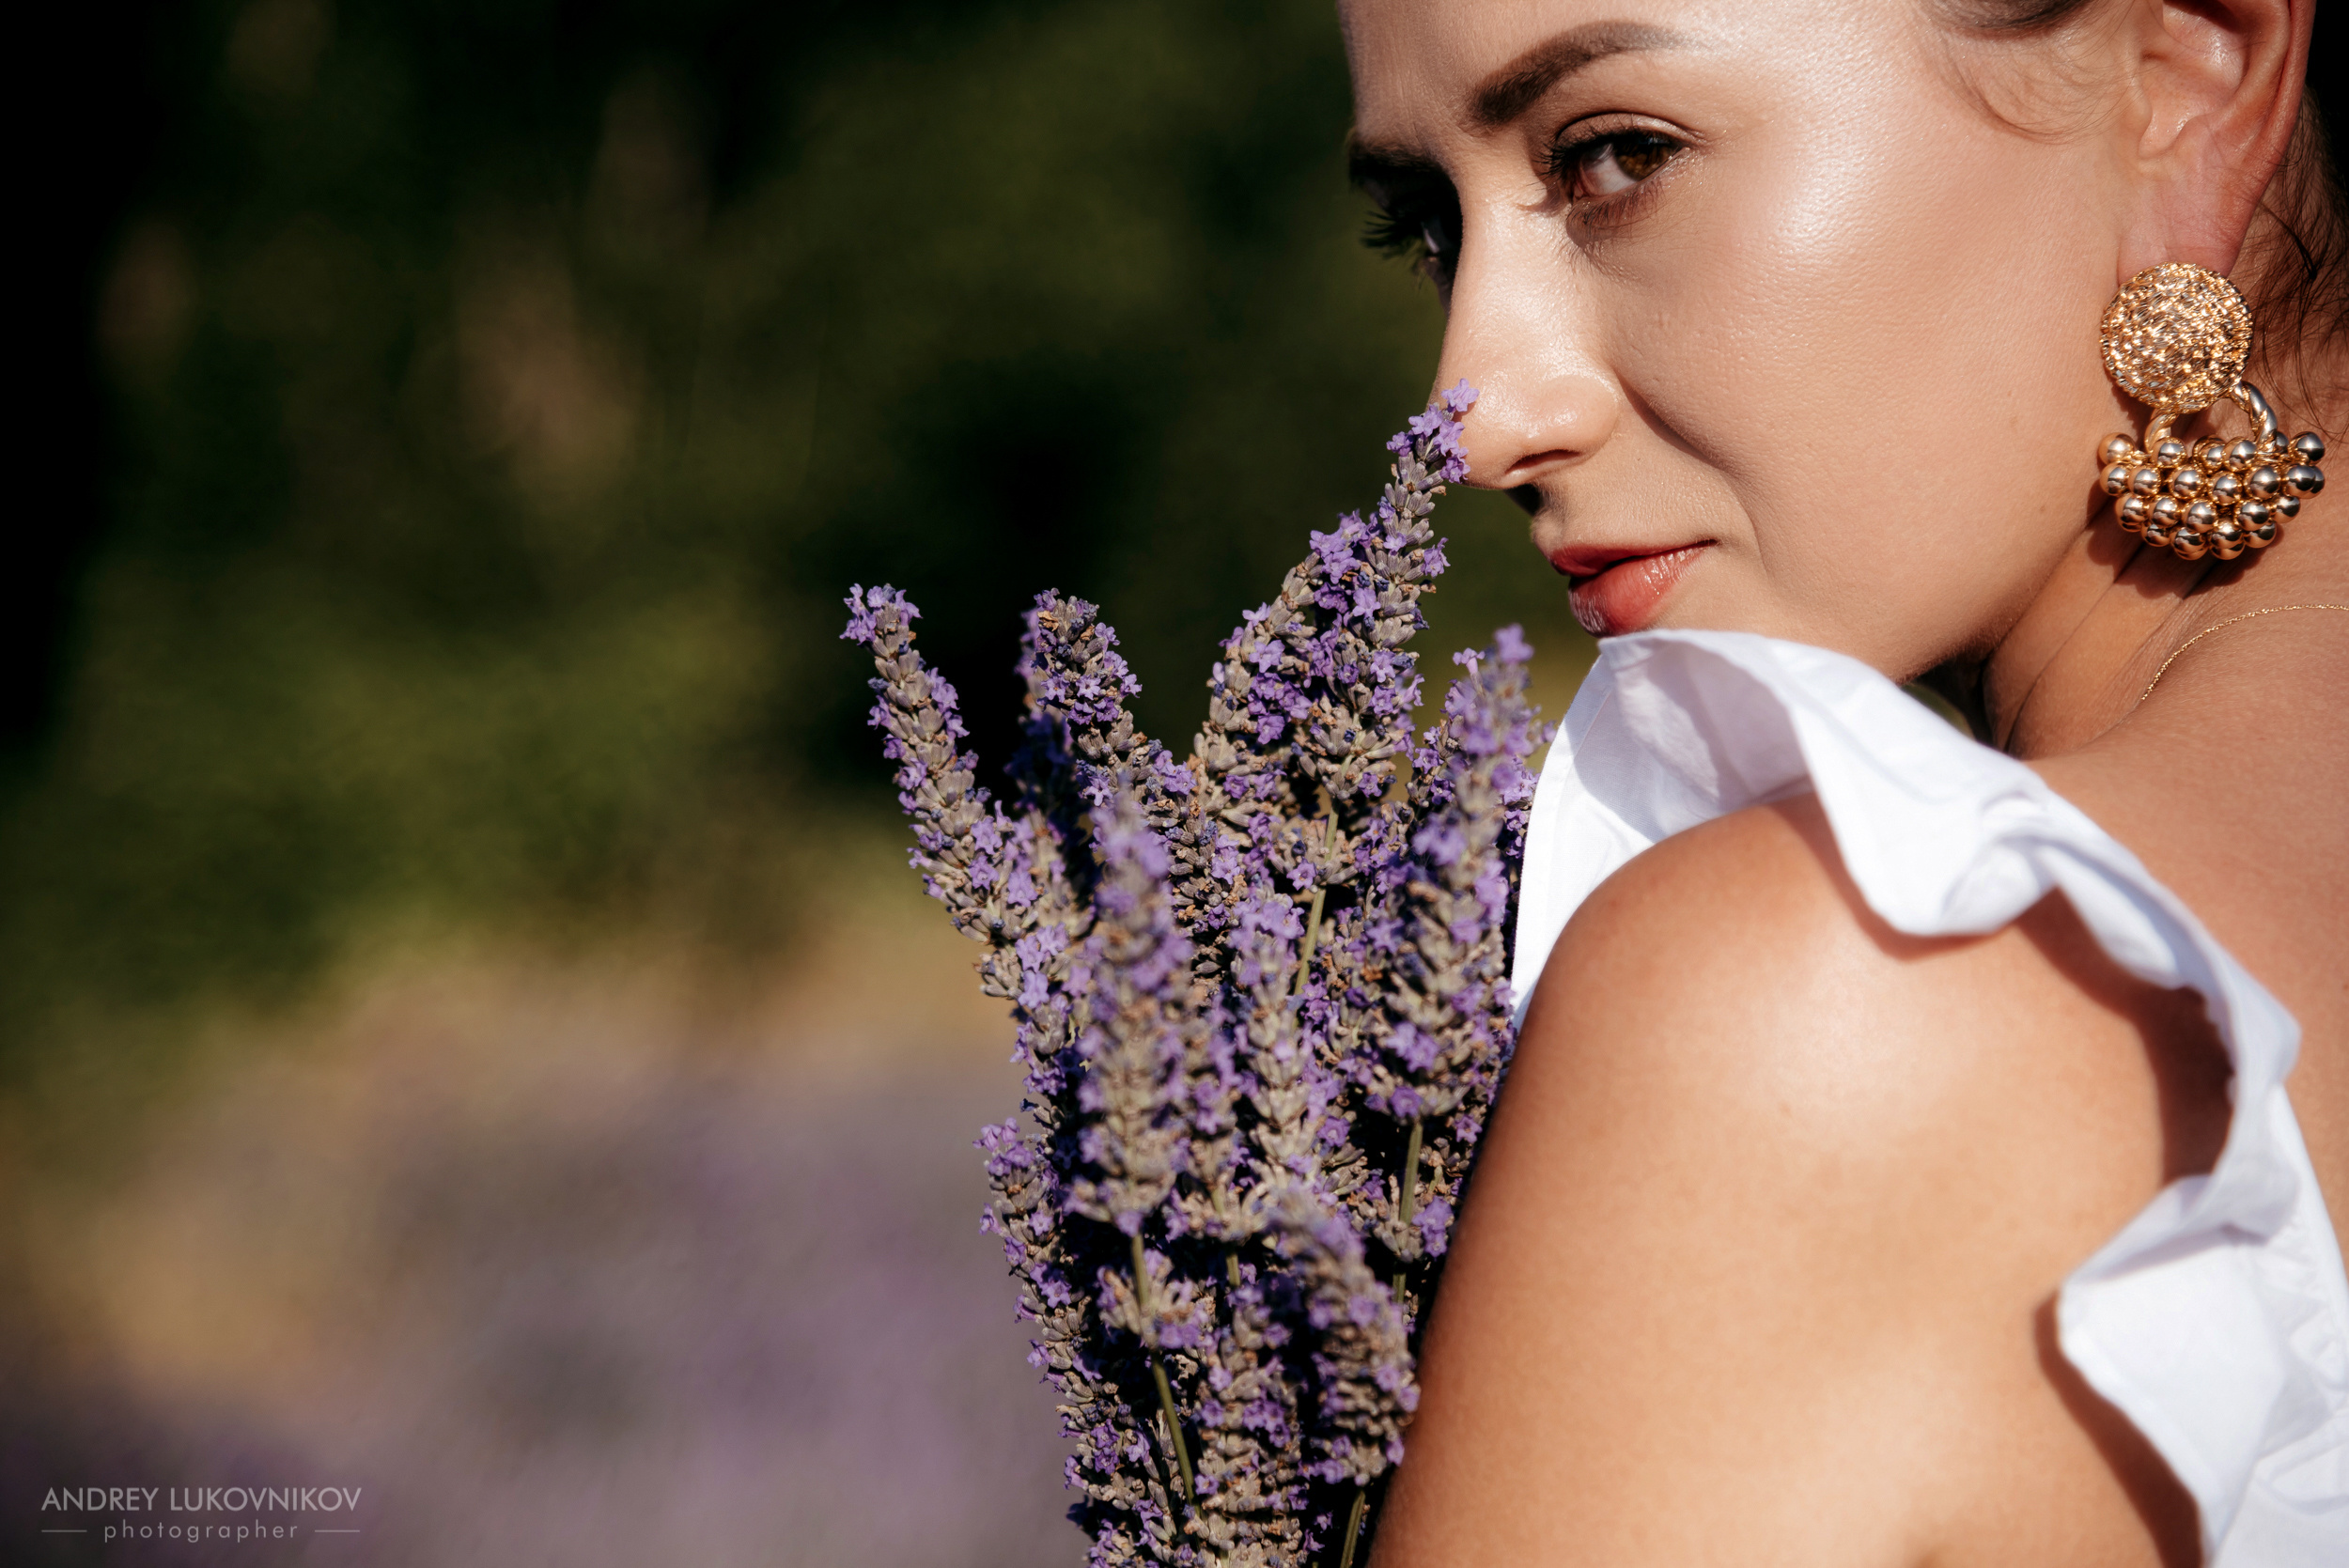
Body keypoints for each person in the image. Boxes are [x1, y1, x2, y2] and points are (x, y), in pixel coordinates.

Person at [1341, 1, 2348, 1562]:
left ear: (2180, 73)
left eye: (1617, 158)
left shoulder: (1850, 988)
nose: (1471, 411)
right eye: (1427, 229)